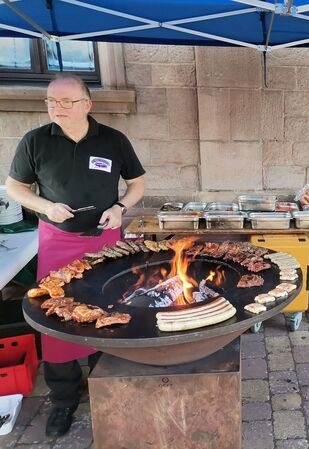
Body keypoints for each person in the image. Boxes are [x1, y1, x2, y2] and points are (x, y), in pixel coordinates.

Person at [6, 74, 146, 438]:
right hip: (57, 240)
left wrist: (119, 207)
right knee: (56, 316)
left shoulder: (113, 140)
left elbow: (137, 184)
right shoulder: (35, 141)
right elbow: (15, 187)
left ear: (88, 104)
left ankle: (109, 382)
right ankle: (64, 397)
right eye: (52, 101)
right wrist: (45, 207)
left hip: (106, 241)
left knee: (112, 308)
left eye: (67, 101)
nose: (57, 107)